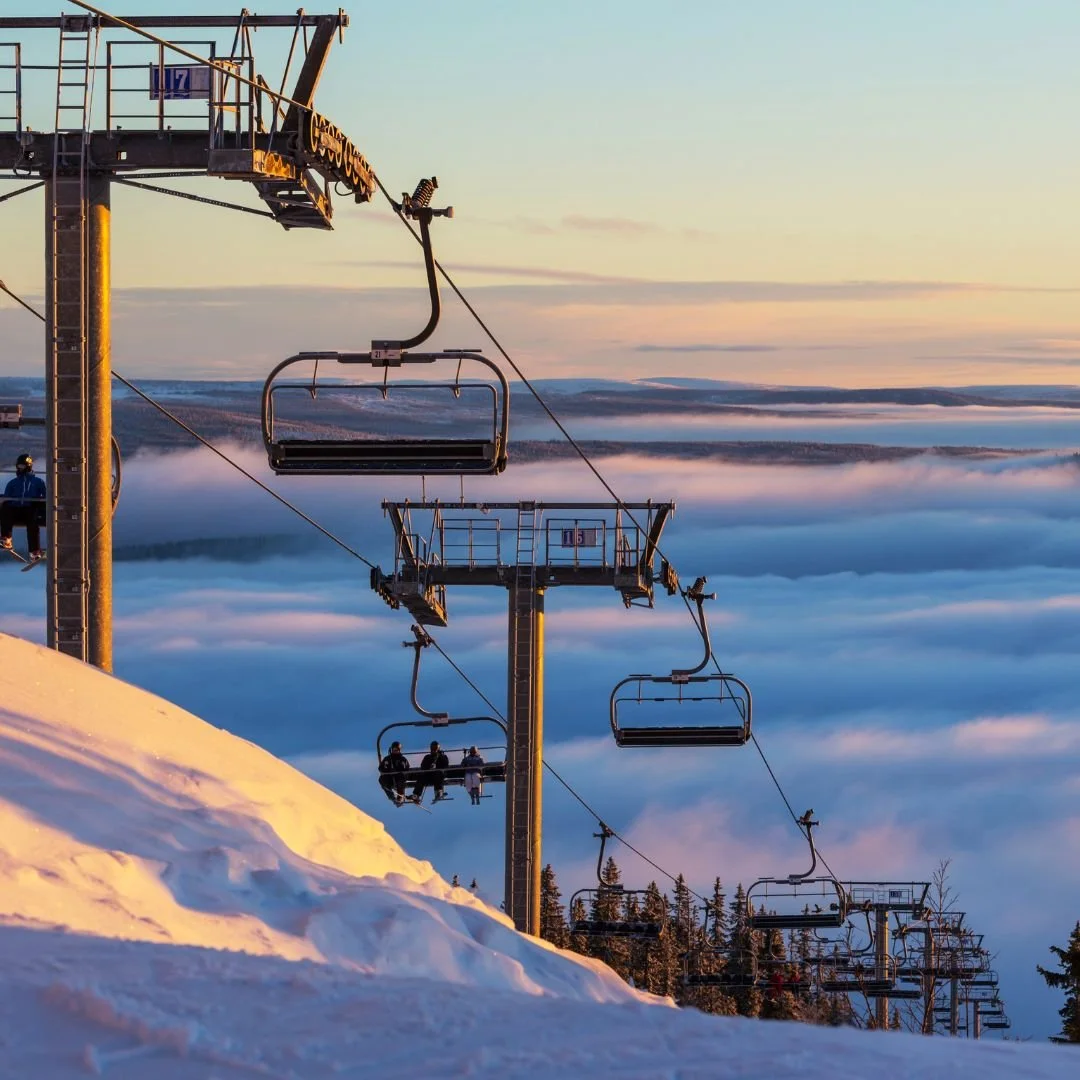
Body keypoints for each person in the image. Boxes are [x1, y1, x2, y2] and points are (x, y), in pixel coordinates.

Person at [1, 453, 46, 560]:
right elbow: (7, 497)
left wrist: (40, 506)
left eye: (22, 466)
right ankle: (6, 538)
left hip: (30, 510)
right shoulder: (13, 483)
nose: (19, 469)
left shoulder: (38, 482)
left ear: (28, 466)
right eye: (18, 467)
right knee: (6, 510)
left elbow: (45, 496)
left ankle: (34, 551)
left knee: (33, 525)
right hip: (16, 510)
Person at [412, 739, 449, 804]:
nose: (434, 750)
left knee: (438, 772)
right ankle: (416, 795)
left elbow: (446, 765)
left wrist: (441, 756)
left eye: (436, 748)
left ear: (438, 749)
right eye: (433, 748)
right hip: (429, 776)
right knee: (421, 776)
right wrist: (429, 767)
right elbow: (423, 767)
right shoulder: (427, 757)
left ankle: (438, 792)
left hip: (438, 776)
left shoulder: (442, 757)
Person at [378, 741, 411, 805]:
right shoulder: (387, 759)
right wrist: (386, 771)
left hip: (399, 778)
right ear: (392, 749)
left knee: (401, 779)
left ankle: (400, 797)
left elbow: (407, 768)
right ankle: (392, 797)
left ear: (399, 750)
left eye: (397, 749)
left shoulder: (403, 759)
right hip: (390, 778)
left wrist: (401, 771)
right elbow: (380, 768)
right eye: (394, 749)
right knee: (382, 779)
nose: (395, 751)